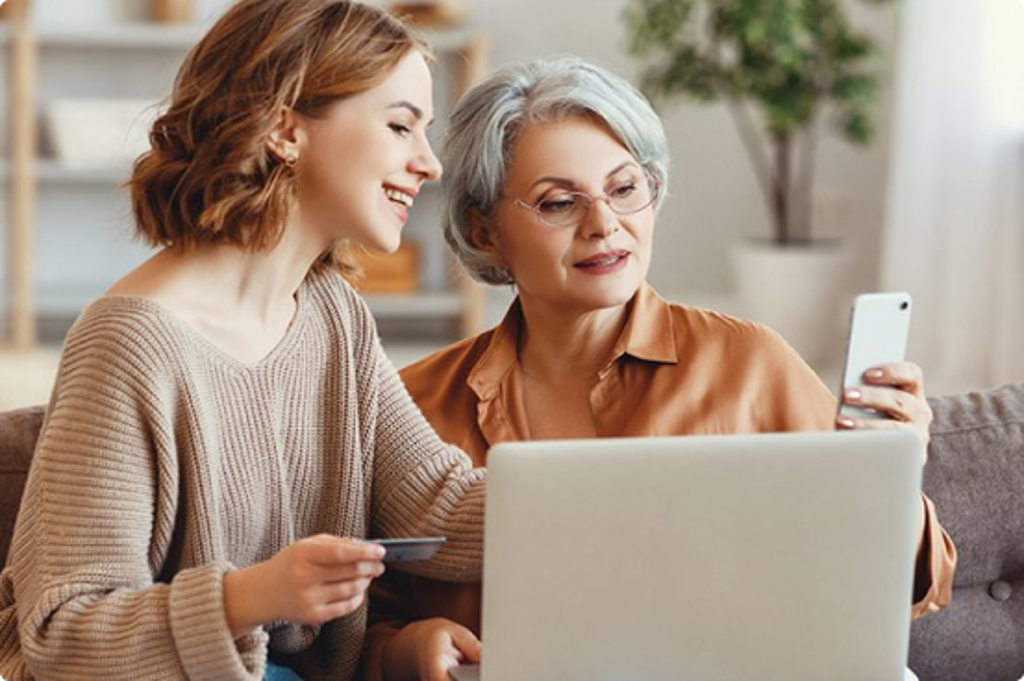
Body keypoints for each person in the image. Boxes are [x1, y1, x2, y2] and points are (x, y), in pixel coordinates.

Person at [361, 56, 957, 681]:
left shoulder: (750, 364)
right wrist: (401, 648)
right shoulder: (413, 404)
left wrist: (894, 476)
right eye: (560, 202)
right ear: (486, 231)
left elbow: (907, 590)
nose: (604, 225)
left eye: (625, 188)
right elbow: (356, 624)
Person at [0, 2, 487, 681]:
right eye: (400, 125)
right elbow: (62, 636)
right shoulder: (127, 344)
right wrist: (251, 596)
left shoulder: (333, 316)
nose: (429, 164)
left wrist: (615, 498)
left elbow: (437, 501)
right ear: (287, 128)